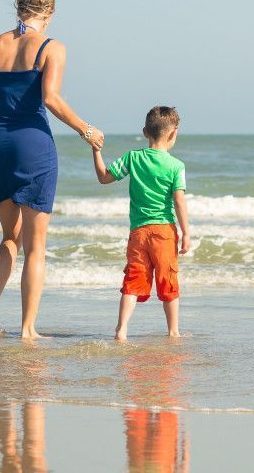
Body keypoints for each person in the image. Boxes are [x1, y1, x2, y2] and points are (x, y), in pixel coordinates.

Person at [0, 0, 105, 340]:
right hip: (32, 144)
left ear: (18, 8)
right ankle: (28, 329)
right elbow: (51, 99)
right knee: (36, 246)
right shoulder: (52, 47)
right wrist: (86, 130)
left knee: (10, 236)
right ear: (49, 13)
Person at [92, 106, 190, 341]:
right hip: (164, 231)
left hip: (138, 232)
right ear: (173, 134)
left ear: (145, 131)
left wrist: (96, 151)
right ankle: (173, 331)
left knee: (133, 279)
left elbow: (104, 177)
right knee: (168, 280)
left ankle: (121, 330)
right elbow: (178, 200)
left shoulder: (133, 158)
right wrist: (186, 233)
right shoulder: (176, 166)